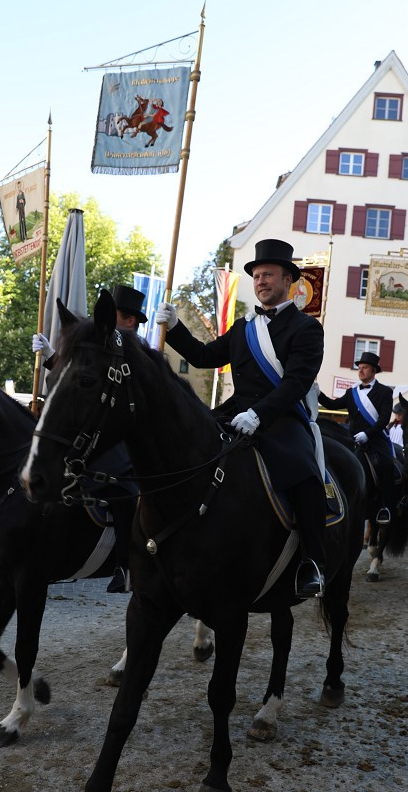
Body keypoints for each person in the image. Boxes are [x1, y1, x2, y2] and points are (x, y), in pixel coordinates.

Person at [156, 238, 327, 598]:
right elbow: (203, 357)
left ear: (288, 281)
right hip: (234, 412)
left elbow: (296, 383)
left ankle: (313, 562)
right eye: (257, 275)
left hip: (280, 417)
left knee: (305, 475)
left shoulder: (307, 328)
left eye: (268, 275)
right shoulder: (242, 327)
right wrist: (173, 329)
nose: (261, 281)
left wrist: (260, 414)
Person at [31, 283, 146, 595]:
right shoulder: (102, 344)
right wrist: (52, 356)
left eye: (116, 316)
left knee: (122, 493)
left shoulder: (138, 351)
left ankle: (126, 564)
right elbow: (81, 374)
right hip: (95, 433)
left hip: (122, 439)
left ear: (130, 321)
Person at [318, 353, 396, 525]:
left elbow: (384, 419)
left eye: (365, 367)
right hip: (352, 439)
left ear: (374, 370)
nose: (361, 371)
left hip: (375, 439)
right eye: (359, 368)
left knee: (386, 465)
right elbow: (332, 405)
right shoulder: (352, 392)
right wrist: (318, 392)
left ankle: (385, 507)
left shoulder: (384, 392)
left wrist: (368, 433)